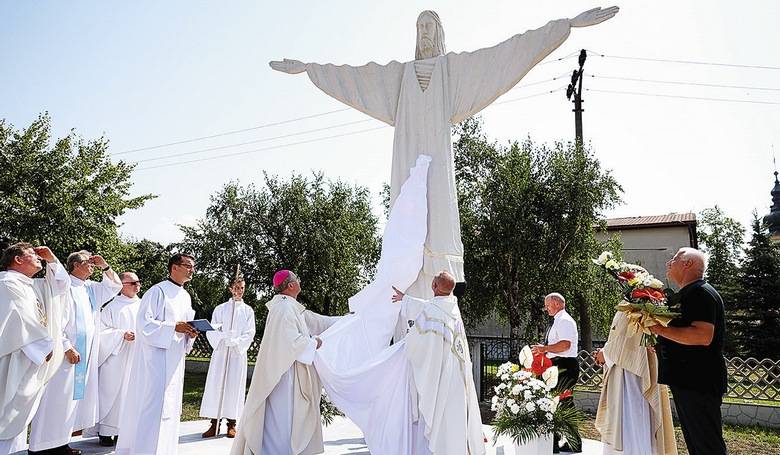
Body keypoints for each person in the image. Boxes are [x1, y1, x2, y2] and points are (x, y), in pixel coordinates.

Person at [269, 6, 618, 299]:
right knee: (406, 221)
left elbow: (504, 55)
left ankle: (436, 288)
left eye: (429, 26)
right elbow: (356, 78)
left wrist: (563, 28)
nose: (423, 32)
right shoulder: (398, 77)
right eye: (418, 26)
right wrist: (310, 70)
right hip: (406, 164)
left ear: (439, 32)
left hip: (436, 163)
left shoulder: (454, 73)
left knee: (437, 216)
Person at [230, 270, 339, 455]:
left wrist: (348, 320)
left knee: (284, 422)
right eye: (297, 278)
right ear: (290, 285)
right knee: (284, 421)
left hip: (286, 371)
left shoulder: (288, 306)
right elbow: (290, 342)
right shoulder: (284, 308)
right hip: (284, 376)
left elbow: (318, 322)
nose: (299, 281)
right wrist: (313, 342)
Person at [29, 251, 121, 455]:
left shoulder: (90, 288)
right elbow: (56, 318)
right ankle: (41, 447)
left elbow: (115, 286)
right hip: (65, 354)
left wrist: (105, 266)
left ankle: (61, 443)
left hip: (84, 355)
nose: (92, 265)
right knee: (55, 399)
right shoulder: (65, 286)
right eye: (88, 262)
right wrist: (67, 345)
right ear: (75, 265)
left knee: (70, 403)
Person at [390, 270, 484, 455]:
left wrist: (408, 342)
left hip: (442, 377)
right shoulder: (453, 307)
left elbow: (418, 343)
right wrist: (406, 299)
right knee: (456, 418)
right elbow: (432, 305)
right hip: (459, 376)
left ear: (433, 286)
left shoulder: (433, 312)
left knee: (441, 417)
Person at [116, 253, 198, 455]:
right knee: (154, 406)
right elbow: (144, 324)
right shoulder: (157, 291)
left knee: (171, 407)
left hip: (175, 358)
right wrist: (173, 327)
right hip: (155, 358)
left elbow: (183, 325)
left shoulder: (186, 296)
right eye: (187, 266)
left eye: (193, 267)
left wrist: (190, 332)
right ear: (174, 267)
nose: (191, 270)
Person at [649, 247, 728, 455]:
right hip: (689, 380)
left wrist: (659, 329)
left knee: (707, 445)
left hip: (698, 381)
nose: (669, 262)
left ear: (688, 264)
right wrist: (658, 340)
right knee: (697, 443)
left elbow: (702, 336)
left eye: (675, 258)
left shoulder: (700, 293)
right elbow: (683, 332)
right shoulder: (691, 293)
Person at [0, 243, 69, 455]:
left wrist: (52, 260)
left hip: (29, 357)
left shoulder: (31, 284)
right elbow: (20, 317)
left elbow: (60, 285)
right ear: (17, 260)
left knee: (17, 420)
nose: (38, 257)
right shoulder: (7, 283)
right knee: (7, 412)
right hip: (15, 357)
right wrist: (42, 346)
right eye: (32, 254)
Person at [593, 310, 677, 455]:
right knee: (635, 418)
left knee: (632, 416)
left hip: (629, 373)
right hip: (628, 369)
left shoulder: (635, 307)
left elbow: (627, 339)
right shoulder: (634, 305)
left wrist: (605, 354)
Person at [200, 269, 256, 439]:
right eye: (236, 288)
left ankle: (231, 423)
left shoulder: (248, 311)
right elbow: (212, 329)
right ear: (230, 288)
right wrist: (223, 337)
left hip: (237, 354)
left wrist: (237, 341)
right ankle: (214, 423)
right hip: (222, 352)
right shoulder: (220, 309)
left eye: (242, 288)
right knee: (217, 385)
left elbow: (250, 333)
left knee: (233, 386)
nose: (239, 291)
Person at [92, 271, 142, 446]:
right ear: (121, 286)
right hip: (115, 357)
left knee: (131, 394)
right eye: (133, 283)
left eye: (138, 282)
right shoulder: (111, 307)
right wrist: (120, 335)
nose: (137, 286)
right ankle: (106, 432)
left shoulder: (143, 306)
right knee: (111, 393)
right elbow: (100, 332)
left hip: (136, 357)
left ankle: (124, 431)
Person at [531, 293, 582, 453]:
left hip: (565, 365)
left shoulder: (564, 321)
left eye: (548, 305)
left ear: (558, 304)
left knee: (561, 403)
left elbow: (565, 345)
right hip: (559, 364)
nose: (546, 309)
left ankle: (565, 442)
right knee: (558, 403)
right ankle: (563, 442)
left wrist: (544, 349)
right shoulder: (558, 320)